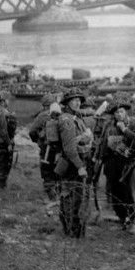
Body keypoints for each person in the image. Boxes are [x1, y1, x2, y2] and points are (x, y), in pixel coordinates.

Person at [57, 89, 94, 238]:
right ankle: (72, 232)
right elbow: (69, 148)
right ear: (67, 102)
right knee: (72, 199)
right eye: (74, 100)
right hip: (72, 164)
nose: (77, 102)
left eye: (79, 100)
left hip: (78, 162)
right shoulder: (67, 120)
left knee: (75, 198)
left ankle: (74, 231)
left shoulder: (75, 118)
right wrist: (80, 167)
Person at [101, 99, 135, 232]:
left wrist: (124, 130)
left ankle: (133, 220)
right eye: (116, 112)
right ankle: (122, 219)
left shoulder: (134, 122)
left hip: (128, 162)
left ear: (126, 112)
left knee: (128, 191)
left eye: (121, 111)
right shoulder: (109, 125)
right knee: (115, 191)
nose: (119, 114)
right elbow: (103, 143)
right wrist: (100, 159)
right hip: (112, 161)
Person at [28, 94, 58, 200]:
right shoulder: (61, 114)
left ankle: (51, 194)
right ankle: (58, 192)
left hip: (47, 148)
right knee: (57, 169)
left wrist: (38, 142)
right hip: (59, 148)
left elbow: (32, 132)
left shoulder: (42, 115)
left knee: (46, 171)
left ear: (44, 105)